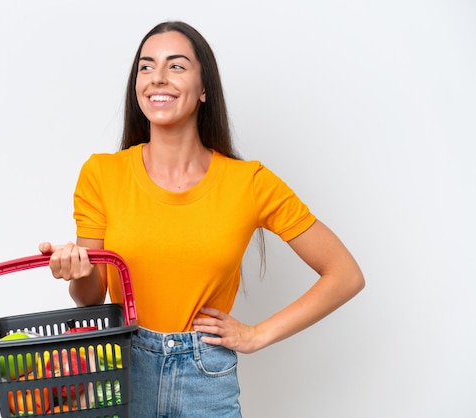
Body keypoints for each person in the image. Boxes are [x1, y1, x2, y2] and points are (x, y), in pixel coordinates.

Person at [39, 20, 365, 417]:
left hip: (206, 378)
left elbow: (345, 274)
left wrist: (257, 334)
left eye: (176, 66)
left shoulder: (249, 182)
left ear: (205, 88)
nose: (157, 78)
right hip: (124, 370)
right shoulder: (102, 174)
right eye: (146, 67)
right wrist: (76, 270)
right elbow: (90, 297)